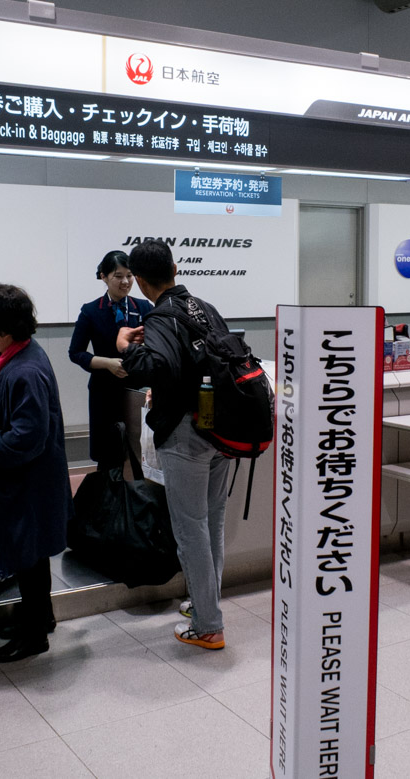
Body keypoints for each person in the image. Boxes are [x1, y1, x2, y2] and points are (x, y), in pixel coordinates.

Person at [115, 239, 230, 650]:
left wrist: (126, 347)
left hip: (186, 434)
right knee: (211, 522)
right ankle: (205, 604)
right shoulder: (205, 309)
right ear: (176, 268)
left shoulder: (162, 316)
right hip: (221, 431)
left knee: (190, 528)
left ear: (142, 281)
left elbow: (154, 369)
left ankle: (208, 625)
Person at [0, 283, 72, 662]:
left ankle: (34, 636)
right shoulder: (15, 356)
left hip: (28, 483)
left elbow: (27, 435)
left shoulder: (24, 370)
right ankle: (39, 617)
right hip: (27, 481)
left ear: (4, 330)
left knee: (28, 557)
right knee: (31, 557)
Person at [68, 251, 154, 470]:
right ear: (104, 277)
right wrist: (107, 363)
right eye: (118, 276)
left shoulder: (144, 308)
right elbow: (76, 352)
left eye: (129, 275)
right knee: (107, 457)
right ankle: (107, 502)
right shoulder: (90, 311)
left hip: (137, 390)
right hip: (104, 392)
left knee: (139, 452)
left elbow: (156, 347)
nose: (125, 282)